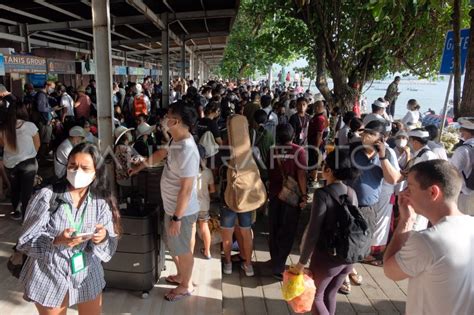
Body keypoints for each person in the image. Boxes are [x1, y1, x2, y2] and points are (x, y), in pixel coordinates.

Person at [17, 143, 120, 315]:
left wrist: (102, 238)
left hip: (87, 273)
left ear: (96, 173)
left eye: (85, 168)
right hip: (49, 274)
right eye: (72, 166)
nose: (77, 172)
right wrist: (57, 240)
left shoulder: (100, 202)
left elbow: (110, 244)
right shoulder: (47, 196)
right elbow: (25, 241)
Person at [383, 160, 474, 315]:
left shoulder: (428, 240)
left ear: (433, 192)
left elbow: (390, 271)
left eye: (410, 188)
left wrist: (406, 221)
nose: (404, 193)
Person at [131, 101, 200, 301]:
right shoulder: (176, 140)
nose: (164, 119)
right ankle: (181, 276)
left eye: (168, 116)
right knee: (174, 245)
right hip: (173, 208)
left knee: (184, 250)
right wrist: (141, 166)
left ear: (175, 121)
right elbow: (162, 153)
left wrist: (177, 218)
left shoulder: (187, 150)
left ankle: (186, 285)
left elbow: (186, 189)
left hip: (182, 212)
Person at [290, 150, 358, 315]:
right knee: (330, 294)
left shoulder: (322, 194)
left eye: (323, 165)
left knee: (316, 297)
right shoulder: (351, 192)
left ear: (329, 170)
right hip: (349, 256)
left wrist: (301, 263)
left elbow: (313, 231)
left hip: (327, 256)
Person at [268, 124, 308, 280]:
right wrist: (304, 195)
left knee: (274, 228)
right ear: (294, 135)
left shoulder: (273, 150)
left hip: (274, 194)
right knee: (287, 230)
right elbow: (302, 175)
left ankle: (275, 260)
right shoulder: (299, 151)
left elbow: (269, 171)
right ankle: (279, 266)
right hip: (291, 198)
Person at [0, 102, 40, 221]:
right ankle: (25, 217)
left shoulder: (3, 128)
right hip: (28, 163)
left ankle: (16, 212)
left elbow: (2, 145)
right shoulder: (30, 126)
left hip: (10, 164)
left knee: (15, 188)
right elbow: (37, 144)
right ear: (23, 111)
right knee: (26, 190)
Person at [450, 117, 474, 215]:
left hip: (464, 195)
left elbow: (451, 174)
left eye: (462, 130)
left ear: (466, 131)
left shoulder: (463, 150)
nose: (460, 132)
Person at [196, 159, 216, 260]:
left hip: (191, 205)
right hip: (204, 205)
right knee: (204, 228)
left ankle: (189, 253)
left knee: (191, 229)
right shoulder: (208, 172)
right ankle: (207, 252)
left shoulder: (189, 170)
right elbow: (212, 190)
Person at [307, 100, 327, 179]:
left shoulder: (320, 118)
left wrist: (316, 147)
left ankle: (313, 179)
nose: (313, 109)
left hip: (315, 145)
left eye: (314, 107)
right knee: (312, 162)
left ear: (318, 107)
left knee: (314, 163)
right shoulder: (317, 117)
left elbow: (320, 134)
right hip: (312, 143)